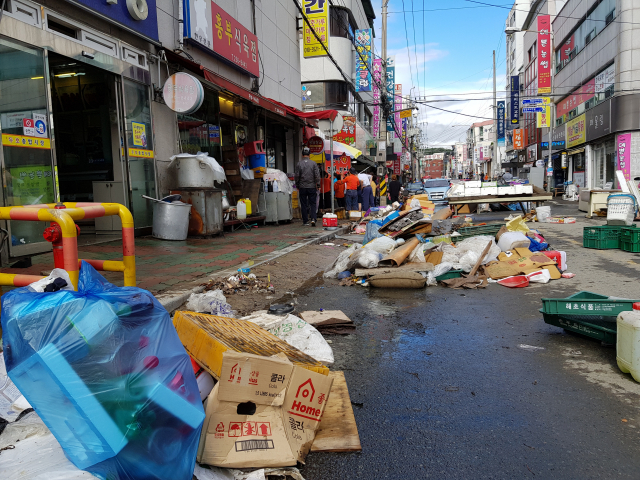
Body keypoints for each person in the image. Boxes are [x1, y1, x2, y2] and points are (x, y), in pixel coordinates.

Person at [295, 146, 320, 226]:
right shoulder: (313, 163)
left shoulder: (299, 164)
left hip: (302, 187)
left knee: (303, 204)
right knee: (312, 203)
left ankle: (305, 221)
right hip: (312, 186)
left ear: (302, 155)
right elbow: (317, 175)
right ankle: (313, 218)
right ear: (309, 155)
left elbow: (297, 176)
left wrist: (297, 185)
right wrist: (318, 184)